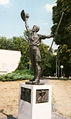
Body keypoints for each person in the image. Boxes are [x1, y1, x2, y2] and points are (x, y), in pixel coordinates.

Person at [21, 10, 54, 84]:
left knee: (37, 64)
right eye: (33, 27)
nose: (32, 27)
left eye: (34, 27)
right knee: (33, 65)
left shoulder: (39, 35)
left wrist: (53, 35)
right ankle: (35, 77)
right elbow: (26, 26)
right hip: (30, 49)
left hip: (36, 49)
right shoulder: (30, 34)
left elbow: (47, 36)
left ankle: (37, 79)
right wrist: (25, 20)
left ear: (36, 29)